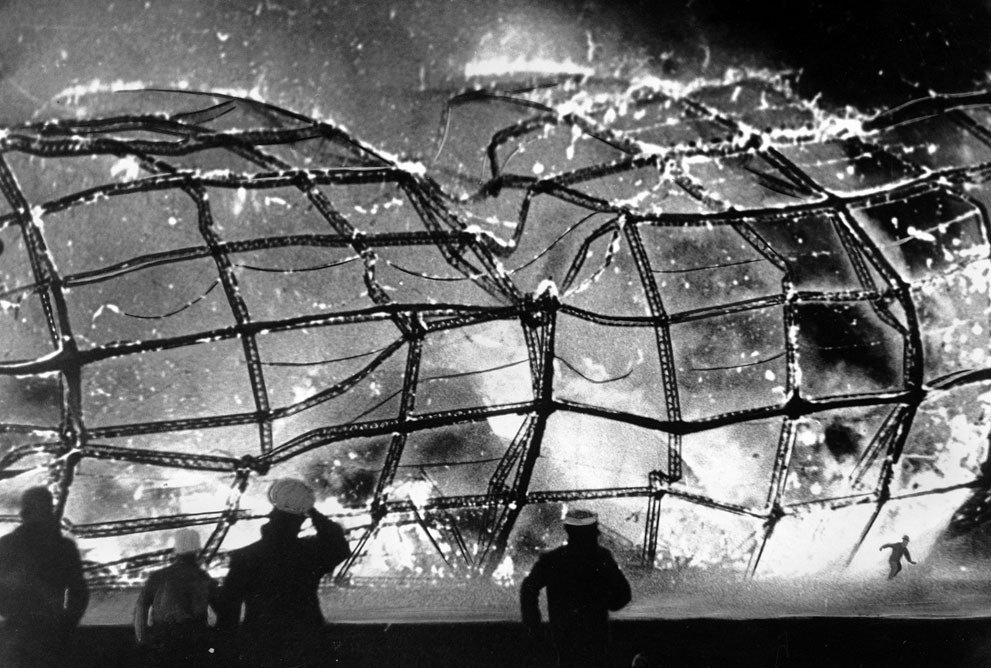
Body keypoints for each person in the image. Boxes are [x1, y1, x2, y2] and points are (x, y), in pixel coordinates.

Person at [216, 478, 350, 668]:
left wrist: (228, 652)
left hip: (261, 645)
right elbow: (339, 546)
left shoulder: (246, 557)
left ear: (272, 514)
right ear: (301, 520)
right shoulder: (309, 554)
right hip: (305, 644)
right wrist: (311, 510)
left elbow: (229, 609)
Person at [520, 508, 632, 668]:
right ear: (592, 532)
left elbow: (528, 589)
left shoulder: (553, 560)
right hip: (595, 633)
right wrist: (604, 604)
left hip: (563, 633)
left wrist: (534, 625)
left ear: (568, 530)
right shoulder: (601, 558)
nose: (598, 534)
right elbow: (624, 593)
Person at [0, 486, 89, 667]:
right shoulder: (63, 547)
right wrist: (67, 622)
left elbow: (79, 592)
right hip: (49, 634)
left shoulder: (7, 545)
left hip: (20, 633)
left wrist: (9, 611)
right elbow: (79, 593)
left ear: (24, 513)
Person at [134, 528, 219, 667]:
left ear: (176, 551)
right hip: (195, 645)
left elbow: (141, 608)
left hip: (163, 643)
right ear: (197, 550)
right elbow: (221, 610)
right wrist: (213, 647)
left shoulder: (158, 577)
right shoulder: (204, 578)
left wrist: (142, 641)